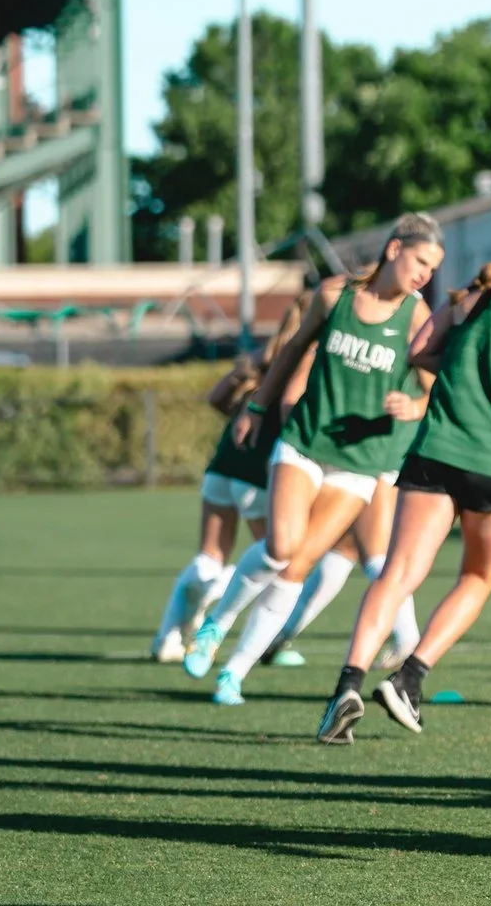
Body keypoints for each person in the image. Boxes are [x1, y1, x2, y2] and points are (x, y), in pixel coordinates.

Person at [319, 205, 491, 743]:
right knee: (477, 577)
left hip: (436, 451)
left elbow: (421, 351)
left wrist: (470, 369)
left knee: (397, 573)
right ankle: (409, 678)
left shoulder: (479, 290)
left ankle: (347, 686)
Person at [184, 215, 445, 706]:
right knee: (280, 546)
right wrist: (258, 407)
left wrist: (415, 406)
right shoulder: (334, 295)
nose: (426, 275)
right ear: (394, 250)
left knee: (298, 566)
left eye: (433, 268)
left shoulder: (415, 313)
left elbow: (433, 384)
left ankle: (234, 673)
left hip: (359, 463)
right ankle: (215, 626)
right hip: (305, 442)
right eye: (421, 262)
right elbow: (290, 353)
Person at [149, 317, 300, 664]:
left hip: (222, 467)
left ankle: (167, 639)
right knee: (277, 559)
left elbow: (217, 399)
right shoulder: (296, 361)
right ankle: (256, 637)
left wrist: (243, 375)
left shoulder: (264, 357)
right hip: (257, 475)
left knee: (209, 556)